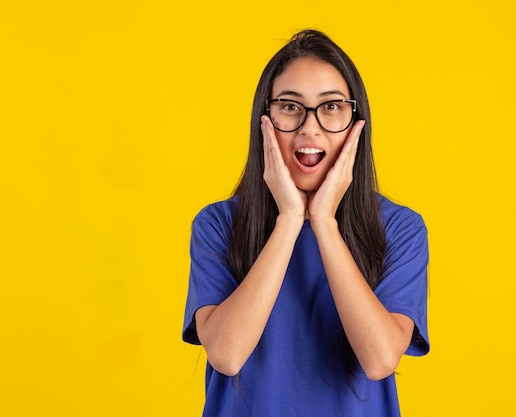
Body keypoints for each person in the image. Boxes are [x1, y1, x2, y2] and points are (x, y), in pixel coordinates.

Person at [182, 29, 430, 416]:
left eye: (331, 107)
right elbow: (227, 355)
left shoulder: (399, 228)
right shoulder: (218, 224)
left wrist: (324, 223)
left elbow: (380, 359)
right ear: (264, 118)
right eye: (290, 106)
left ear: (355, 123)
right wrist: (290, 219)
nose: (309, 128)